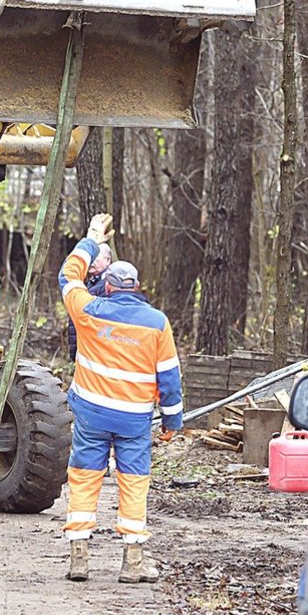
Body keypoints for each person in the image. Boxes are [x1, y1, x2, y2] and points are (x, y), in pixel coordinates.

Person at [60, 213, 183, 584]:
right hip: (133, 421)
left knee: (83, 477)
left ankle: (79, 558)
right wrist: (172, 422)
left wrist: (93, 239)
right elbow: (170, 380)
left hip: (92, 415)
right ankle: (132, 562)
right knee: (133, 481)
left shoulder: (88, 312)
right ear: (137, 287)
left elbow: (69, 275)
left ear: (108, 287)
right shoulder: (158, 322)